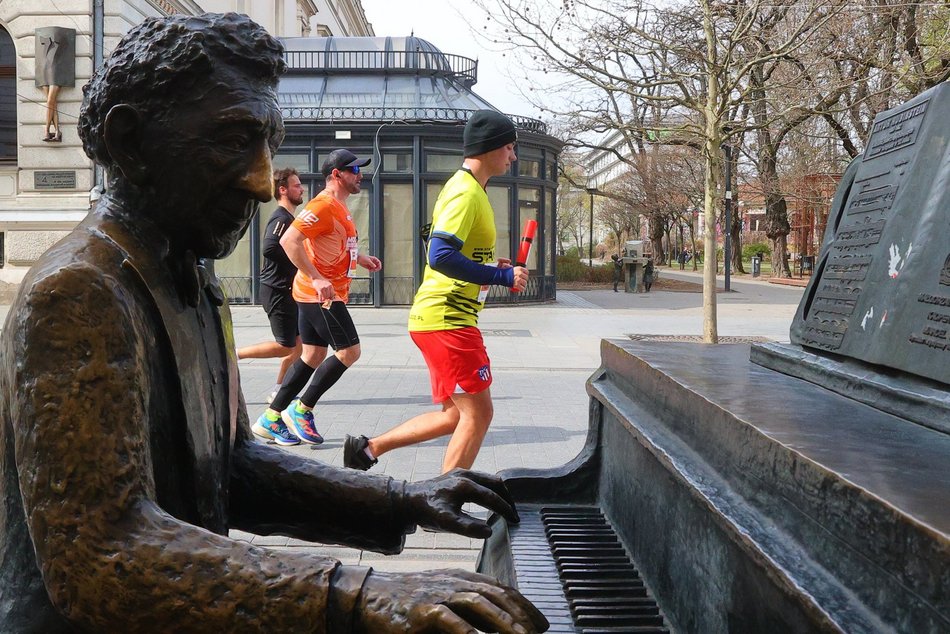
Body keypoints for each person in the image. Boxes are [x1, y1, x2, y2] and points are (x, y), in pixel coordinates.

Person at [0, 14, 548, 633]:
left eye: (267, 144)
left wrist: (402, 500)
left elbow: (234, 468)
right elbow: (104, 555)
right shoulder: (78, 294)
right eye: (234, 141)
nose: (262, 182)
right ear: (131, 142)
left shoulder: (191, 281)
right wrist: (354, 596)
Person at [343, 110, 528, 474]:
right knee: (479, 414)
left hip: (442, 319)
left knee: (455, 415)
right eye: (509, 147)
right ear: (490, 148)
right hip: (449, 320)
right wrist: (501, 277)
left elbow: (456, 252)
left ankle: (366, 450)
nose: (513, 155)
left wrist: (494, 265)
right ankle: (443, 501)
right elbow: (440, 255)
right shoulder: (465, 193)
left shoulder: (471, 189)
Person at [253, 149, 381, 446]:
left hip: (318, 292)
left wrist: (359, 258)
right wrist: (317, 278)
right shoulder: (322, 205)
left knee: (312, 355)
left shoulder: (340, 206)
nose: (359, 175)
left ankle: (269, 419)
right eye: (353, 170)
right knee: (350, 352)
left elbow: (329, 242)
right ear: (336, 175)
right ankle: (302, 409)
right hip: (320, 294)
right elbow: (288, 241)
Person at [238, 168, 304, 432]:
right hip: (277, 290)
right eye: (297, 185)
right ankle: (236, 355)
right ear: (283, 190)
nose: (302, 189)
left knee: (300, 347)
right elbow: (268, 247)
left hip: (287, 290)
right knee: (286, 346)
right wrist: (296, 260)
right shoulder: (281, 217)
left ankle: (280, 391)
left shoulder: (289, 217)